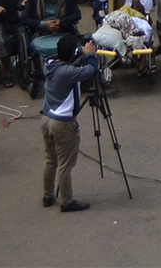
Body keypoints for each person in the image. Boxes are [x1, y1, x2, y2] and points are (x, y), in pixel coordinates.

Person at [38, 34, 99, 212]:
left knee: (51, 160)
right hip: (62, 124)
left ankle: (48, 196)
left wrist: (81, 51)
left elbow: (69, 60)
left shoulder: (50, 64)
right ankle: (67, 201)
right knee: (65, 165)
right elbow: (91, 70)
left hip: (47, 118)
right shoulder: (66, 73)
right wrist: (89, 54)